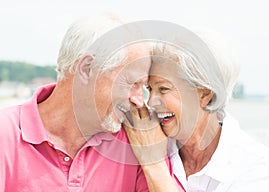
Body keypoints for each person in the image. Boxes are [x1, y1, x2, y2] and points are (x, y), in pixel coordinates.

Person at [0, 14, 180, 191]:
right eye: (133, 83)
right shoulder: (5, 134)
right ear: (87, 69)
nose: (139, 100)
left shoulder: (139, 141)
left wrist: (154, 164)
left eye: (144, 87)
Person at [124, 32, 269, 191]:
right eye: (150, 89)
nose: (151, 101)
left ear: (205, 94)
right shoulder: (144, 141)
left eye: (164, 89)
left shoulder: (259, 168)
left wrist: (154, 163)